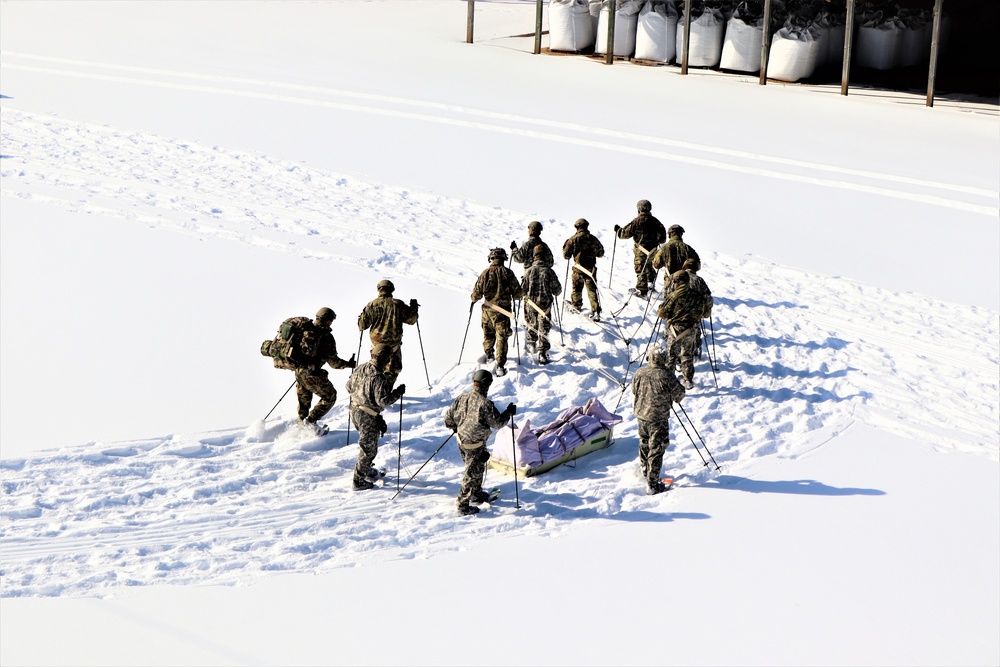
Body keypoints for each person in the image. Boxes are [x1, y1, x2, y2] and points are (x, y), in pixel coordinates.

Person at [443, 369, 516, 515]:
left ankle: (476, 494)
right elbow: (498, 423)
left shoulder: (462, 397)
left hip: (462, 441)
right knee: (471, 474)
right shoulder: (485, 403)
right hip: (474, 444)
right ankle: (462, 506)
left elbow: (448, 419)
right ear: (486, 384)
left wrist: (458, 429)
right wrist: (508, 412)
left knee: (476, 468)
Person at [345, 344, 406, 490]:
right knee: (369, 449)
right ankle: (358, 481)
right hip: (366, 415)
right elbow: (383, 401)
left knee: (368, 445)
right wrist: (397, 393)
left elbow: (348, 387)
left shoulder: (360, 368)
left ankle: (365, 469)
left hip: (355, 411)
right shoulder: (379, 377)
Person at [631, 346, 686, 494]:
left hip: (641, 415)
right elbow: (679, 395)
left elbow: (634, 390)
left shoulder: (640, 372)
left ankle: (644, 469)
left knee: (644, 443)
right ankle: (653, 484)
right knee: (657, 448)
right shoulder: (666, 375)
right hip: (658, 418)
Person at [295, 307, 356, 435]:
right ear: (328, 320)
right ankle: (310, 422)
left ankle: (301, 429)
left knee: (304, 403)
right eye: (331, 320)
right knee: (330, 396)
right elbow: (334, 363)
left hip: (299, 372)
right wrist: (348, 364)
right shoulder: (326, 337)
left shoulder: (305, 330)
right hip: (312, 374)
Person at [471, 247, 524, 377]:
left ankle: (489, 355)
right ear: (504, 259)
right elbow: (517, 294)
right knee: (502, 338)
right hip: (502, 313)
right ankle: (500, 365)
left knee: (488, 335)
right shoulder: (508, 273)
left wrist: (474, 298)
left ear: (491, 258)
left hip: (487, 313)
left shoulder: (485, 273)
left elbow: (475, 295)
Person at [357, 279, 419, 387]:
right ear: (392, 290)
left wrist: (363, 315)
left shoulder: (372, 305)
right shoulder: (398, 304)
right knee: (392, 371)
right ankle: (384, 395)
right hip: (393, 346)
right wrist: (414, 309)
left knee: (376, 368)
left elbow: (362, 325)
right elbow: (412, 320)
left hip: (376, 346)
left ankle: (373, 391)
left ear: (379, 290)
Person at [657, 270, 709, 388]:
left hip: (675, 330)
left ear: (677, 282)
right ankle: (687, 379)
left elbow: (661, 313)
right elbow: (705, 313)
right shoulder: (697, 296)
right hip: (691, 330)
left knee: (671, 355)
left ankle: (668, 381)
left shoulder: (674, 296)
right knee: (687, 355)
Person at [520, 244, 562, 365]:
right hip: (545, 306)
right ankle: (542, 352)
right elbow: (557, 291)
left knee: (532, 323)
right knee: (544, 328)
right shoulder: (549, 272)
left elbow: (522, 290)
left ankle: (531, 343)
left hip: (531, 304)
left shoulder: (528, 271)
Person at [614, 199, 665, 297]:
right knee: (649, 265)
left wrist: (618, 230)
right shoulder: (656, 222)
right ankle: (650, 284)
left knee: (640, 268)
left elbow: (624, 234)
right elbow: (663, 239)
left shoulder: (636, 221)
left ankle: (642, 291)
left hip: (641, 250)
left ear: (639, 209)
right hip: (653, 251)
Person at [562, 218, 605, 321]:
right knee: (592, 291)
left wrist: (565, 246)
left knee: (576, 289)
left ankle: (576, 306)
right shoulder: (593, 239)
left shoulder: (572, 239)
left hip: (578, 269)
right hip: (591, 270)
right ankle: (595, 311)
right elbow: (601, 253)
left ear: (577, 227)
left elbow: (566, 255)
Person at [651, 224, 700, 292]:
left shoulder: (664, 248)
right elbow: (697, 266)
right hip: (685, 283)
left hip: (670, 283)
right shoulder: (688, 248)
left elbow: (656, 265)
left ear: (670, 234)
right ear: (681, 234)